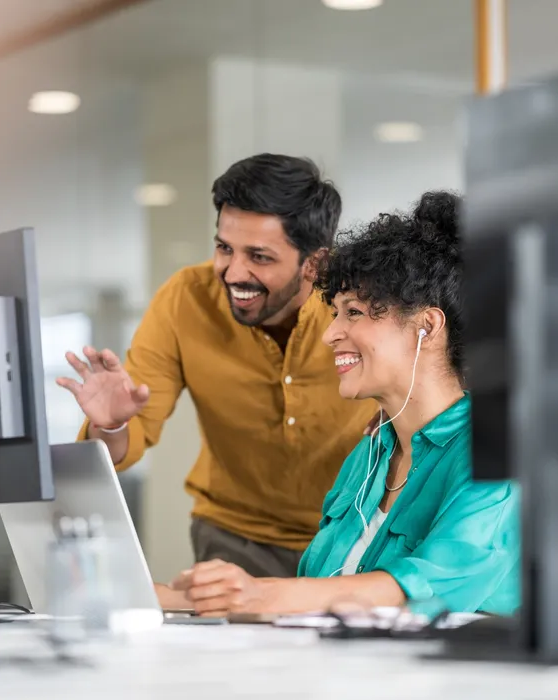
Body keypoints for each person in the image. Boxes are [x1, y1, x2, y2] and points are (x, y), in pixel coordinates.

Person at [167, 191, 521, 616]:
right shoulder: (370, 454)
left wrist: (259, 595)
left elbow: (425, 586)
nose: (329, 334)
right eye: (335, 312)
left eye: (353, 313)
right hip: (347, 671)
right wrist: (166, 597)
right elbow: (316, 590)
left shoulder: (495, 449)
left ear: (427, 326)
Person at [57, 154, 377, 582]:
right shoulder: (185, 299)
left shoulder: (366, 307)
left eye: (259, 257)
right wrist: (112, 426)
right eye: (224, 248)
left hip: (355, 535)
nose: (233, 271)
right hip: (235, 539)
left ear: (314, 264)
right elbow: (127, 441)